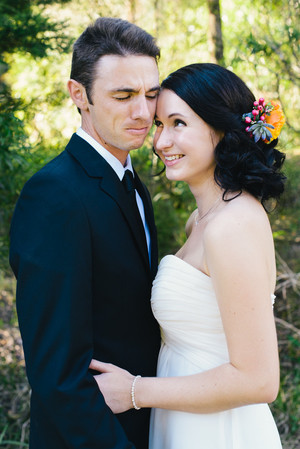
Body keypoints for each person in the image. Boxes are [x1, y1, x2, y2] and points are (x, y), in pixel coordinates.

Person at [89, 63, 286, 449]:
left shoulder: (232, 226)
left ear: (221, 129)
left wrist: (134, 392)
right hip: (184, 421)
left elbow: (260, 380)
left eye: (178, 123)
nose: (161, 141)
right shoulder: (201, 221)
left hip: (220, 431)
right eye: (160, 124)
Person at [9, 17, 161, 449]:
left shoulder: (134, 185)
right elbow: (58, 374)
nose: (142, 112)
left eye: (151, 94)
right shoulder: (54, 195)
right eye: (123, 95)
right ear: (79, 95)